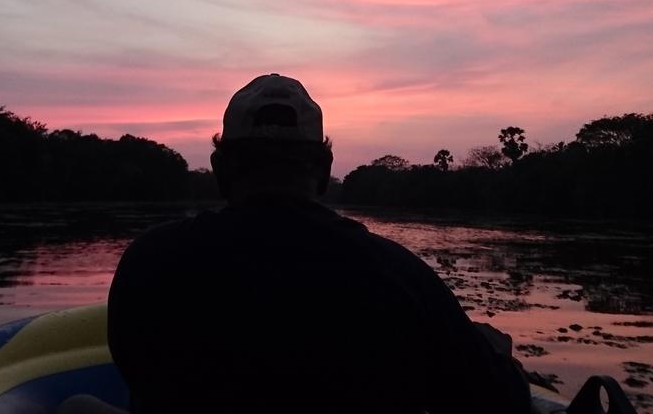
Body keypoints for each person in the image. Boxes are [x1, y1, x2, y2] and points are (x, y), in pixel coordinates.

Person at [102, 73, 532, 414]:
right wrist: (494, 354)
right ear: (325, 168)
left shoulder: (149, 263)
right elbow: (500, 401)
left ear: (220, 168)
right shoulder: (400, 277)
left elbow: (134, 370)